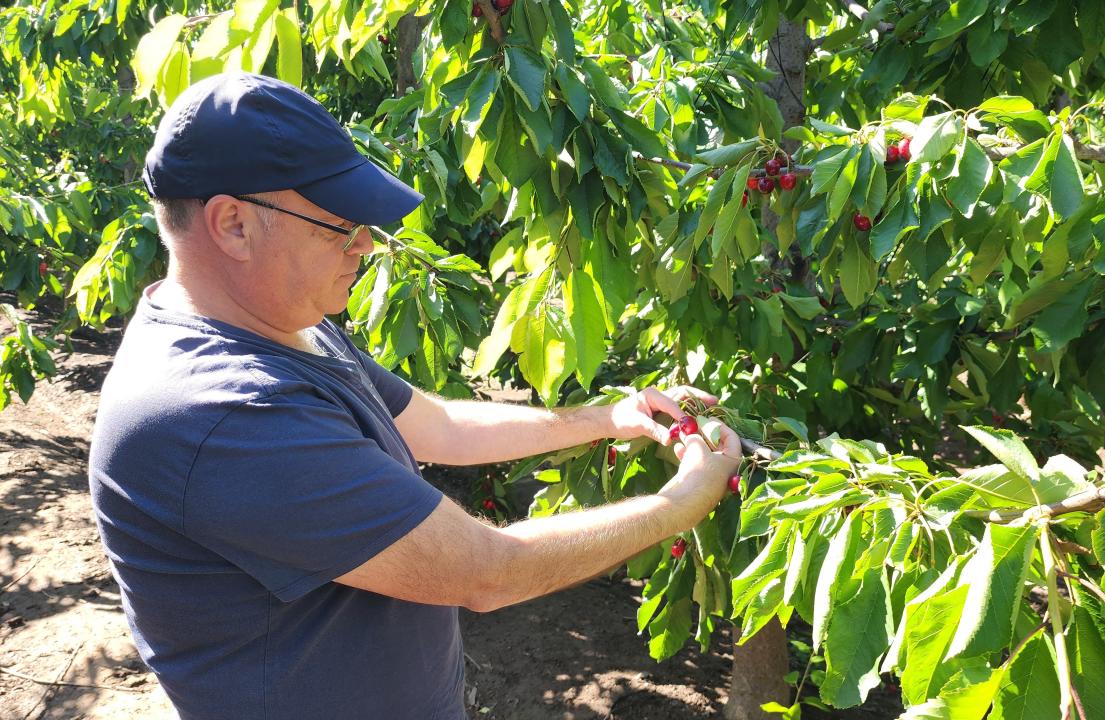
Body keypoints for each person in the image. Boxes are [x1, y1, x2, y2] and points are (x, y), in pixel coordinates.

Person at [87, 72, 741, 720]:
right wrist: (682, 501)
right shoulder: (221, 413)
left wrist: (608, 418)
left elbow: (442, 425)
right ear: (233, 225)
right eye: (340, 223)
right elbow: (489, 571)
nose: (367, 244)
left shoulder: (285, 327)